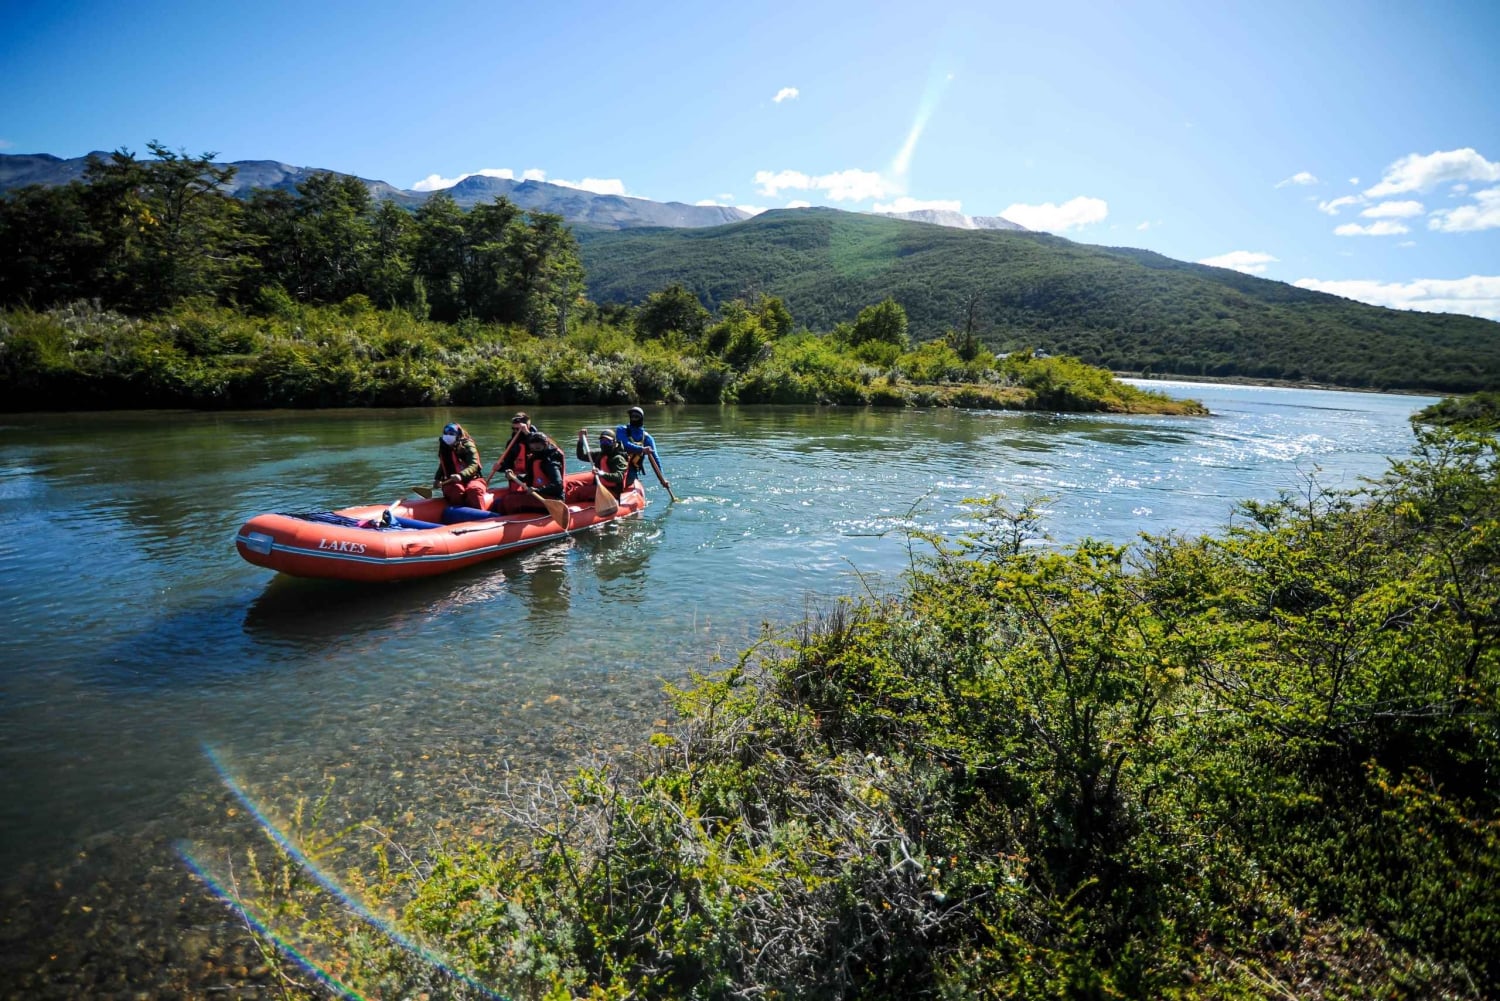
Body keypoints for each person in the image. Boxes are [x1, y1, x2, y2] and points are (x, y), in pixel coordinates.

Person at [495, 429, 567, 514]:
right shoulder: (535, 457)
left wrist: (538, 490)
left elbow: (558, 485)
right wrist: (514, 477)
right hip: (538, 495)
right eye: (532, 448)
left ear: (546, 445)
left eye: (538, 448)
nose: (535, 451)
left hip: (551, 499)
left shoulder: (550, 462)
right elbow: (531, 477)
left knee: (509, 500)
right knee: (504, 499)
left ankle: (504, 519)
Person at [432, 422, 489, 508]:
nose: (448, 436)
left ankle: (481, 516)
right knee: (456, 490)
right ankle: (459, 515)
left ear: (458, 435)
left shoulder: (468, 445)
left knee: (474, 490)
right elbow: (443, 464)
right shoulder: (444, 447)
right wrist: (437, 479)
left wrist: (461, 475)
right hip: (451, 482)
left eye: (451, 434)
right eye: (446, 434)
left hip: (472, 479)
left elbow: (474, 465)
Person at [615, 405, 669, 492]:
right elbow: (624, 445)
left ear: (641, 419)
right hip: (616, 465)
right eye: (632, 416)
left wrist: (662, 479)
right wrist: (642, 449)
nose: (633, 418)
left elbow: (655, 459)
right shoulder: (621, 430)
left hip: (631, 470)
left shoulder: (647, 438)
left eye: (636, 416)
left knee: (627, 480)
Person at [569, 426, 628, 502]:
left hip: (611, 491)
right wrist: (581, 441)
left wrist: (601, 473)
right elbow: (581, 456)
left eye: (607, 442)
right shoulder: (600, 454)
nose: (604, 444)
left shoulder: (618, 458)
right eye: (602, 441)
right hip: (599, 486)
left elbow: (619, 477)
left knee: (577, 491)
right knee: (571, 484)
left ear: (614, 443)